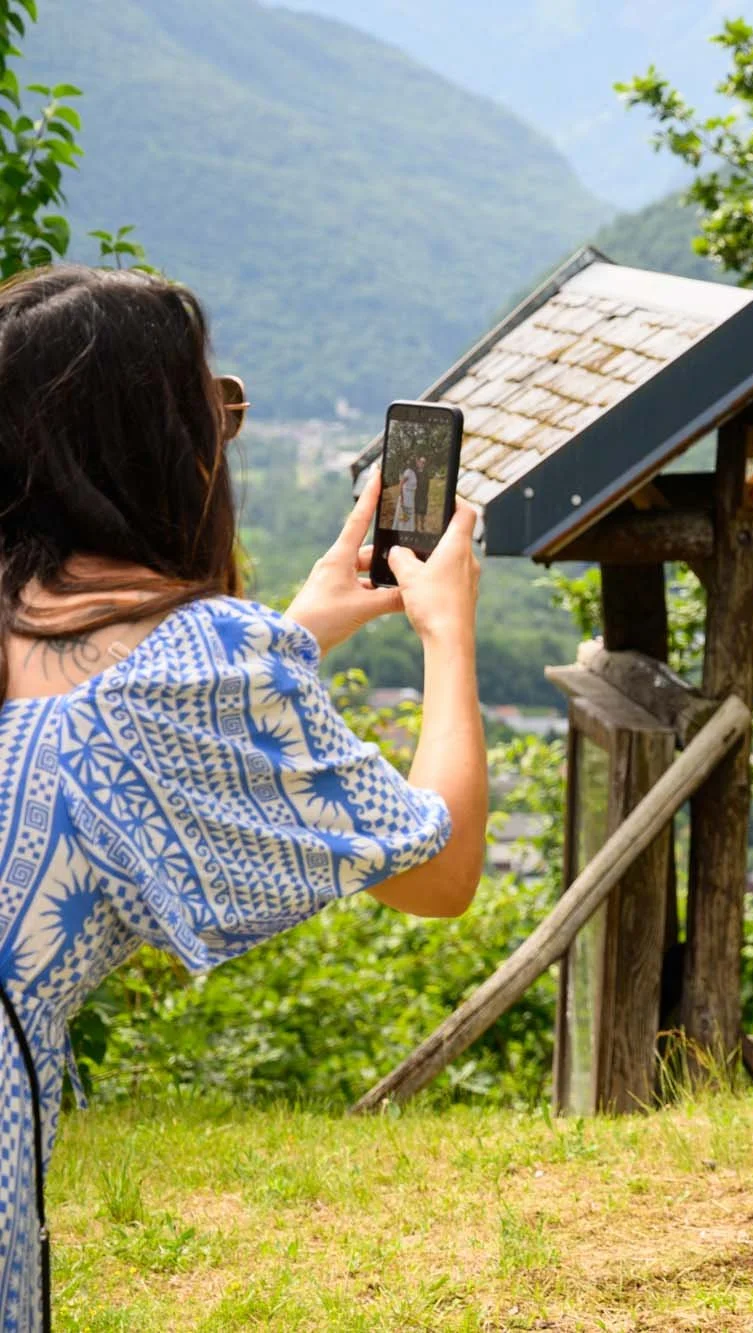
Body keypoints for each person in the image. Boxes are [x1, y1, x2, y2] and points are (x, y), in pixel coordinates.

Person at [0, 266, 488, 1328]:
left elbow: (95, 728)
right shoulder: (203, 663)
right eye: (212, 410)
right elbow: (437, 870)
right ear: (160, 448)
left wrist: (298, 624)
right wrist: (448, 635)